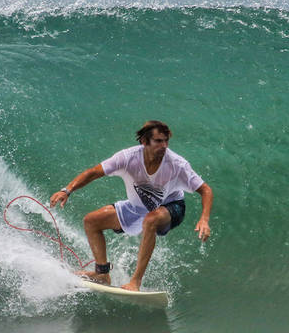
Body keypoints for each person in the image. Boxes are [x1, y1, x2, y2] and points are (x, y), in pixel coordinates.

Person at [49, 120, 212, 291]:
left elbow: (205, 190)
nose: (164, 145)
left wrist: (204, 219)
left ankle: (135, 282)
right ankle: (102, 274)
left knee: (151, 219)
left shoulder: (177, 164)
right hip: (138, 208)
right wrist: (66, 190)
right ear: (144, 141)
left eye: (166, 141)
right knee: (91, 221)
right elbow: (94, 172)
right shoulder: (128, 158)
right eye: (158, 141)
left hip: (172, 206)